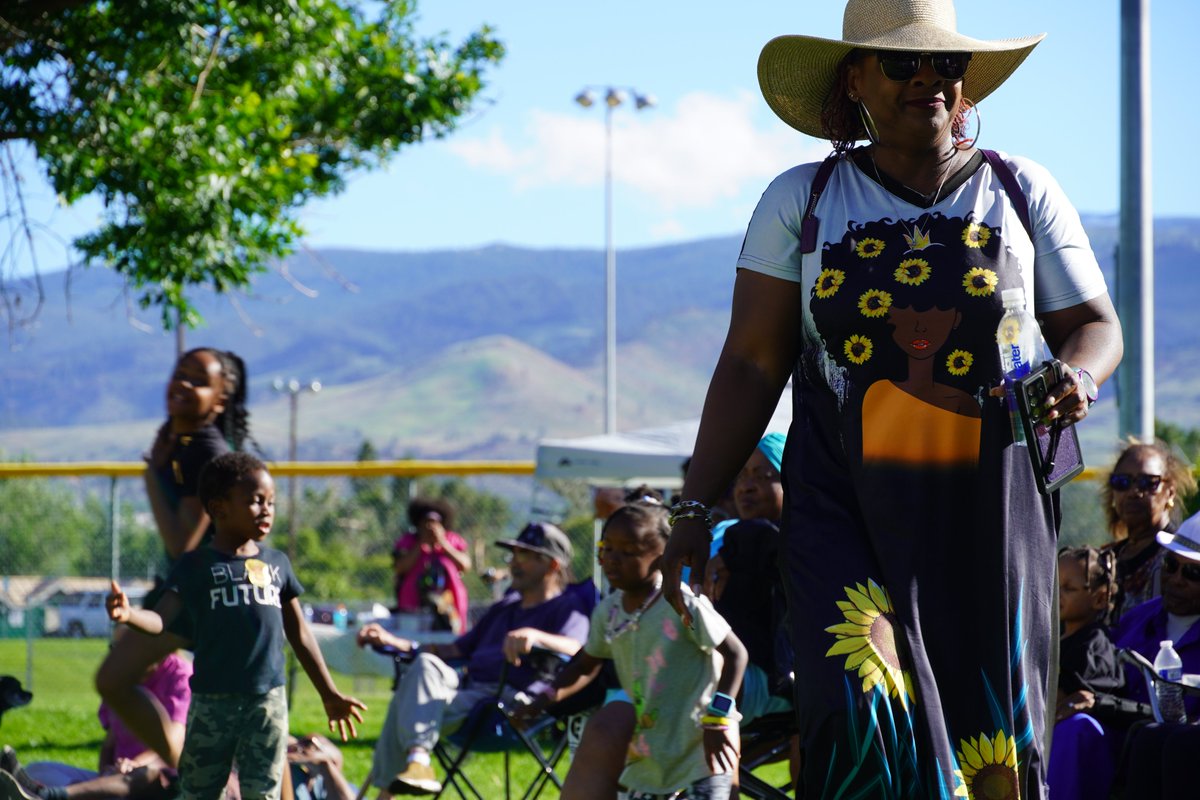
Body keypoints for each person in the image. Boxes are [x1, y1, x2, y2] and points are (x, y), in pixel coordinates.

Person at [659, 0, 1124, 796]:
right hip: (846, 506)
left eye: (945, 64)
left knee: (995, 739)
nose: (930, 80)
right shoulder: (801, 200)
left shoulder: (1020, 189)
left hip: (991, 505)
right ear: (856, 81)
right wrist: (695, 511)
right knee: (855, 715)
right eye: (903, 63)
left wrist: (1077, 378)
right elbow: (749, 363)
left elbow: (1093, 325)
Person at [106, 452, 366, 800]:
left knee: (264, 794)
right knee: (199, 792)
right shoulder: (196, 565)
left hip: (267, 704)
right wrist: (129, 615)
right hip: (213, 704)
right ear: (219, 507)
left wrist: (329, 693)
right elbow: (160, 620)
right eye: (256, 501)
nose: (267, 509)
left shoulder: (277, 564)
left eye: (271, 502)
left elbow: (299, 633)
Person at [95, 347, 254, 769]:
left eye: (198, 380)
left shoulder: (205, 451)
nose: (182, 383)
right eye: (179, 373)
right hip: (197, 591)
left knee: (254, 727)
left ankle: (191, 776)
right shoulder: (184, 443)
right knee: (249, 727)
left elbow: (183, 543)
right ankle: (192, 777)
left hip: (216, 597)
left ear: (220, 400)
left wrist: (150, 477)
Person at [526, 500, 748, 800]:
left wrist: (719, 718)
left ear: (661, 557)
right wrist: (546, 696)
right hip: (654, 748)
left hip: (703, 743)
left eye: (629, 552)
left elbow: (736, 654)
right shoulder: (610, 611)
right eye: (608, 548)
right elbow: (585, 665)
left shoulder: (681, 603)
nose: (614, 559)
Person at [356, 521, 591, 798]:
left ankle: (395, 783)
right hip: (466, 690)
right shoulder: (504, 607)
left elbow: (578, 647)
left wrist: (536, 637)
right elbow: (454, 650)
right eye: (512, 555)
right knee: (425, 666)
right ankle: (417, 761)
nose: (513, 563)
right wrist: (394, 642)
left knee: (406, 701)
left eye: (524, 556)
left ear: (552, 565)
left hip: (503, 706)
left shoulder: (567, 607)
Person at [1047, 512, 1200, 800]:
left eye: (1193, 573)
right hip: (1120, 748)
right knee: (1076, 727)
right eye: (1170, 565)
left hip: (1178, 762)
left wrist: (1100, 703)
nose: (1176, 579)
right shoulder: (1137, 619)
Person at [0, 641, 192, 800]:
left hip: (154, 779)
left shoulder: (178, 674)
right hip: (116, 777)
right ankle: (82, 794)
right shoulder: (120, 677)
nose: (119, 655)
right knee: (37, 769)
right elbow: (110, 743)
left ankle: (50, 796)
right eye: (114, 648)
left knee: (145, 774)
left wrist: (133, 764)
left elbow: (173, 745)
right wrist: (106, 773)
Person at [1100, 439, 1198, 621]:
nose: (1133, 492)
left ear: (1170, 492)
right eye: (1122, 482)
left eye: (1147, 482)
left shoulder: (1178, 560)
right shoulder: (1103, 558)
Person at [1054, 547, 1122, 718]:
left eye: (1068, 589)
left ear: (1099, 598)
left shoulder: (1092, 645)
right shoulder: (1057, 637)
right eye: (1055, 584)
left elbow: (1060, 697)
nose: (1056, 594)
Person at [391, 498, 471, 634]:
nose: (430, 526)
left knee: (449, 640)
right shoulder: (409, 541)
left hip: (449, 605)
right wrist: (421, 543)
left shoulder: (452, 540)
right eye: (426, 522)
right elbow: (400, 567)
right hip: (413, 604)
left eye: (435, 522)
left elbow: (465, 565)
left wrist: (442, 543)